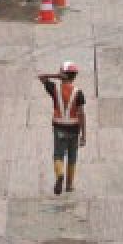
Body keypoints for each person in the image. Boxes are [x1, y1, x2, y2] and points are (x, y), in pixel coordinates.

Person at [39, 61, 87, 195]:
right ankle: (69, 185)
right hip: (74, 129)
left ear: (62, 75)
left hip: (59, 128)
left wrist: (56, 76)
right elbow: (82, 114)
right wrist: (83, 135)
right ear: (74, 76)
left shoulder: (55, 89)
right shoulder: (78, 93)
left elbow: (41, 77)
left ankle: (60, 174)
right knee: (72, 156)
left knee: (58, 155)